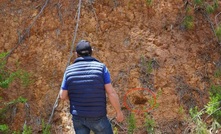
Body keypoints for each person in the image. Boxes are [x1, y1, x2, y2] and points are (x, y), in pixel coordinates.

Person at [59, 40, 124, 134]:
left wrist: (75, 98)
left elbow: (62, 96)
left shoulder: (69, 71)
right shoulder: (101, 68)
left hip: (78, 117)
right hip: (97, 116)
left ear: (76, 54)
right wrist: (118, 112)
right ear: (91, 52)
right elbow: (111, 92)